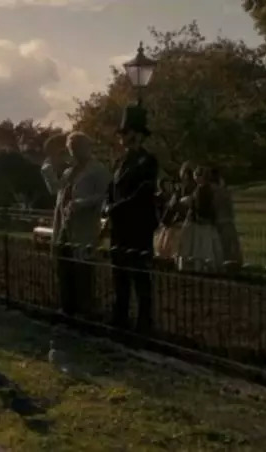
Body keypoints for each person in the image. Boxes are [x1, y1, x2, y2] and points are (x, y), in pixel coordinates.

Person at [105, 104, 159, 332]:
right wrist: (108, 206)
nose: (122, 137)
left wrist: (115, 208)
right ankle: (120, 316)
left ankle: (144, 322)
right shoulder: (120, 162)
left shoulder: (148, 161)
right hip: (119, 226)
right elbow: (111, 188)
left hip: (138, 226)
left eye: (125, 132)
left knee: (139, 275)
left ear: (136, 134)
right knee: (119, 274)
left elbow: (142, 193)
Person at [51, 132, 111, 316]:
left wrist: (81, 203)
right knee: (64, 266)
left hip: (84, 226)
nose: (74, 152)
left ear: (86, 148)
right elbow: (57, 192)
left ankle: (85, 309)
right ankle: (67, 307)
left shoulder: (98, 170)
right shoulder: (69, 172)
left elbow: (105, 195)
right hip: (64, 225)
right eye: (71, 148)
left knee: (82, 269)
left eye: (77, 147)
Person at [176, 167, 224, 272]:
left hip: (200, 221)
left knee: (198, 245)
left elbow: (199, 206)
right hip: (205, 221)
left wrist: (189, 203)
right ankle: (204, 266)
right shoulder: (206, 189)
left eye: (196, 176)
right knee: (204, 245)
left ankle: (199, 266)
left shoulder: (201, 189)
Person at [154, 162, 195, 260]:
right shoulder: (181, 189)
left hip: (186, 223)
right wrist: (165, 221)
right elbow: (171, 207)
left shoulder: (192, 190)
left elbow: (173, 206)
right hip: (179, 222)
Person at [210, 168, 242, 265]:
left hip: (220, 222)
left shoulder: (215, 192)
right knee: (230, 246)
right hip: (227, 221)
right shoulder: (225, 192)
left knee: (224, 246)